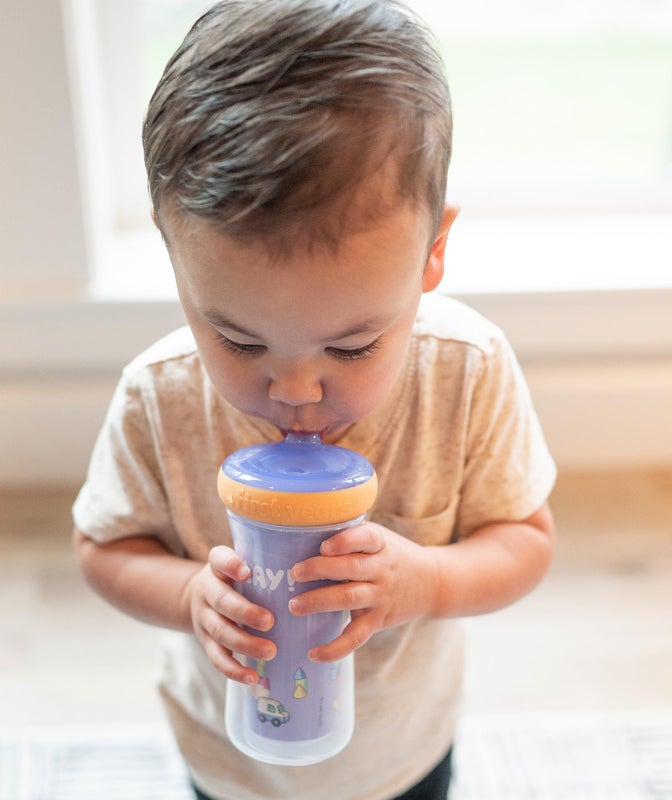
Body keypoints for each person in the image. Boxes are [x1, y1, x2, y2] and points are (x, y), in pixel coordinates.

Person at [72, 1, 557, 798]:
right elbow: (103, 548)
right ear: (174, 256)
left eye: (352, 347)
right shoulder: (158, 396)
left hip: (401, 752)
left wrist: (428, 582)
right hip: (231, 759)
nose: (295, 390)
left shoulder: (466, 371)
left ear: (432, 253)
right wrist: (191, 595)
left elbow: (525, 540)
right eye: (239, 341)